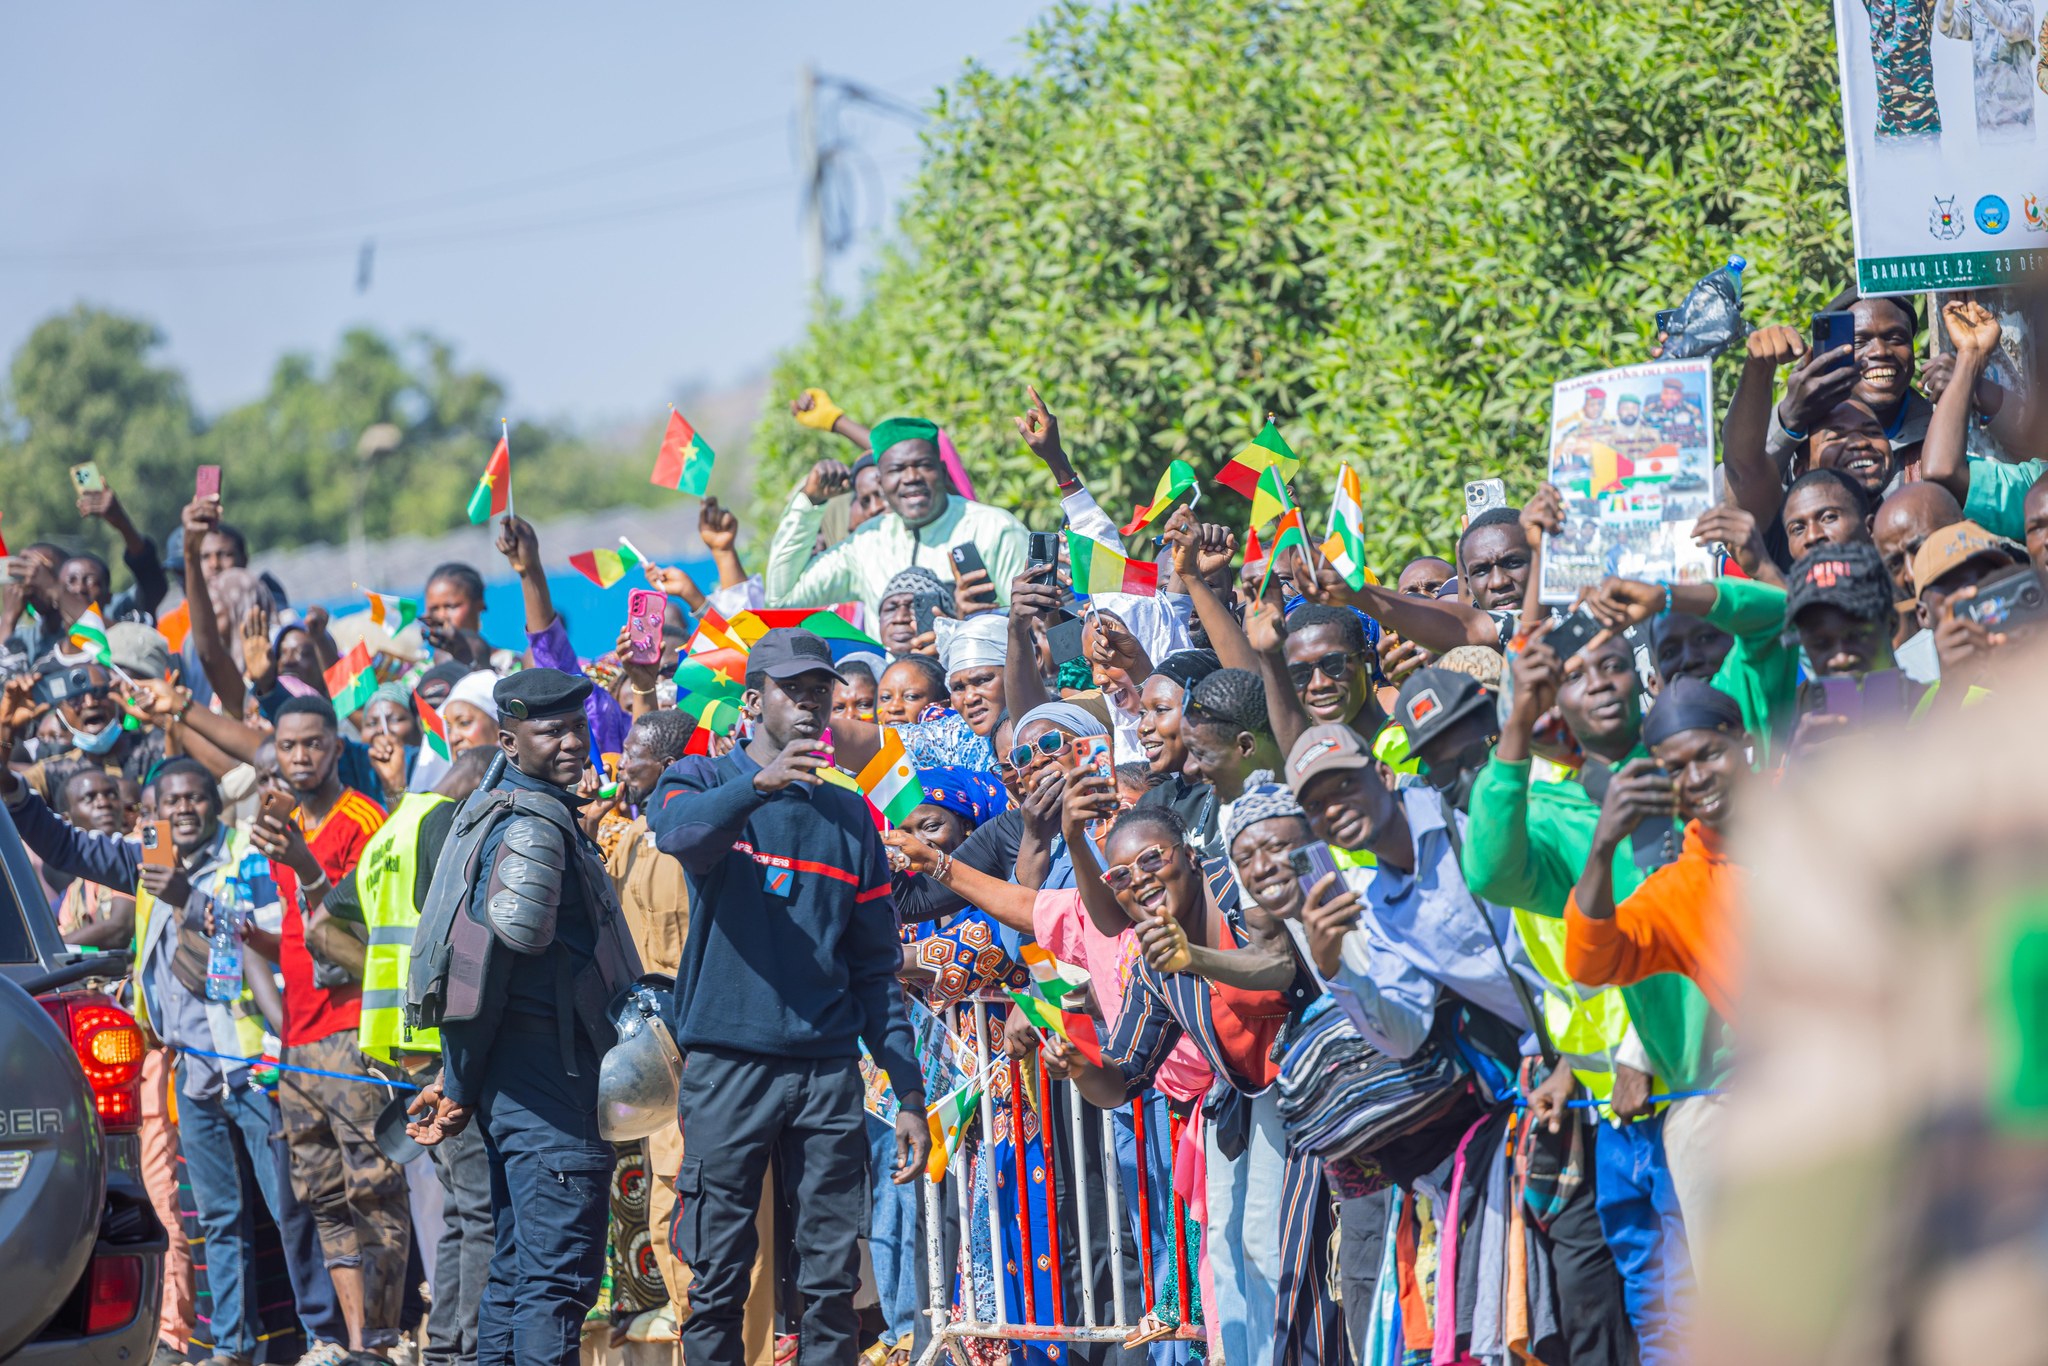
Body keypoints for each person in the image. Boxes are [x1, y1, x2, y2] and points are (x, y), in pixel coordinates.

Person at [649, 629, 929, 1366]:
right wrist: (757, 786)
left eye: (820, 692)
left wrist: (907, 1092)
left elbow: (875, 969)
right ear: (752, 701)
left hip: (825, 1074)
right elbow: (675, 835)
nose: (809, 704)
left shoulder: (852, 818)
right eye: (791, 690)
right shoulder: (701, 778)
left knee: (832, 1282)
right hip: (727, 1068)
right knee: (716, 1276)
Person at [406, 668, 646, 1366]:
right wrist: (458, 1084)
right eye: (552, 731)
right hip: (547, 1092)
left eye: (578, 726)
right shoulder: (534, 828)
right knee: (554, 1285)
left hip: (525, 1089)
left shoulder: (508, 809)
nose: (573, 741)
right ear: (509, 741)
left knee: (515, 1276)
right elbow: (485, 974)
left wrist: (465, 1085)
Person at [318, 745, 497, 1366]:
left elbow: (326, 920)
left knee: (457, 1206)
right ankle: (465, 1351)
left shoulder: (392, 827)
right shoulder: (444, 822)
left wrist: (380, 977)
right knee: (479, 1209)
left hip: (399, 1047)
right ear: (484, 781)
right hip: (440, 1042)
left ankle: (445, 1345)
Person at [245, 698, 409, 1361]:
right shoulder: (280, 825)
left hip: (352, 1029)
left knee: (374, 1188)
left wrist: (308, 864)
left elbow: (365, 936)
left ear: (337, 748)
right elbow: (290, 941)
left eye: (313, 744)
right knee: (324, 1196)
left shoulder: (361, 821)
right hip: (299, 1041)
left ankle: (385, 1335)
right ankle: (350, 1340)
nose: (300, 757)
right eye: (288, 747)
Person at [1567, 678, 1748, 1020]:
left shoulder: (1807, 798)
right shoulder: (1677, 892)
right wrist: (1603, 847)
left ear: (1744, 741)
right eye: (1676, 769)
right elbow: (1589, 965)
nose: (1696, 779)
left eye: (1709, 755)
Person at [767, 412, 1029, 620]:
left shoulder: (993, 528)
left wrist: (962, 627)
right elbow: (782, 598)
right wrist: (809, 503)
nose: (912, 477)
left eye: (923, 465)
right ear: (880, 481)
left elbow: (1032, 621)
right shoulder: (866, 543)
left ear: (942, 469)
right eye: (897, 469)